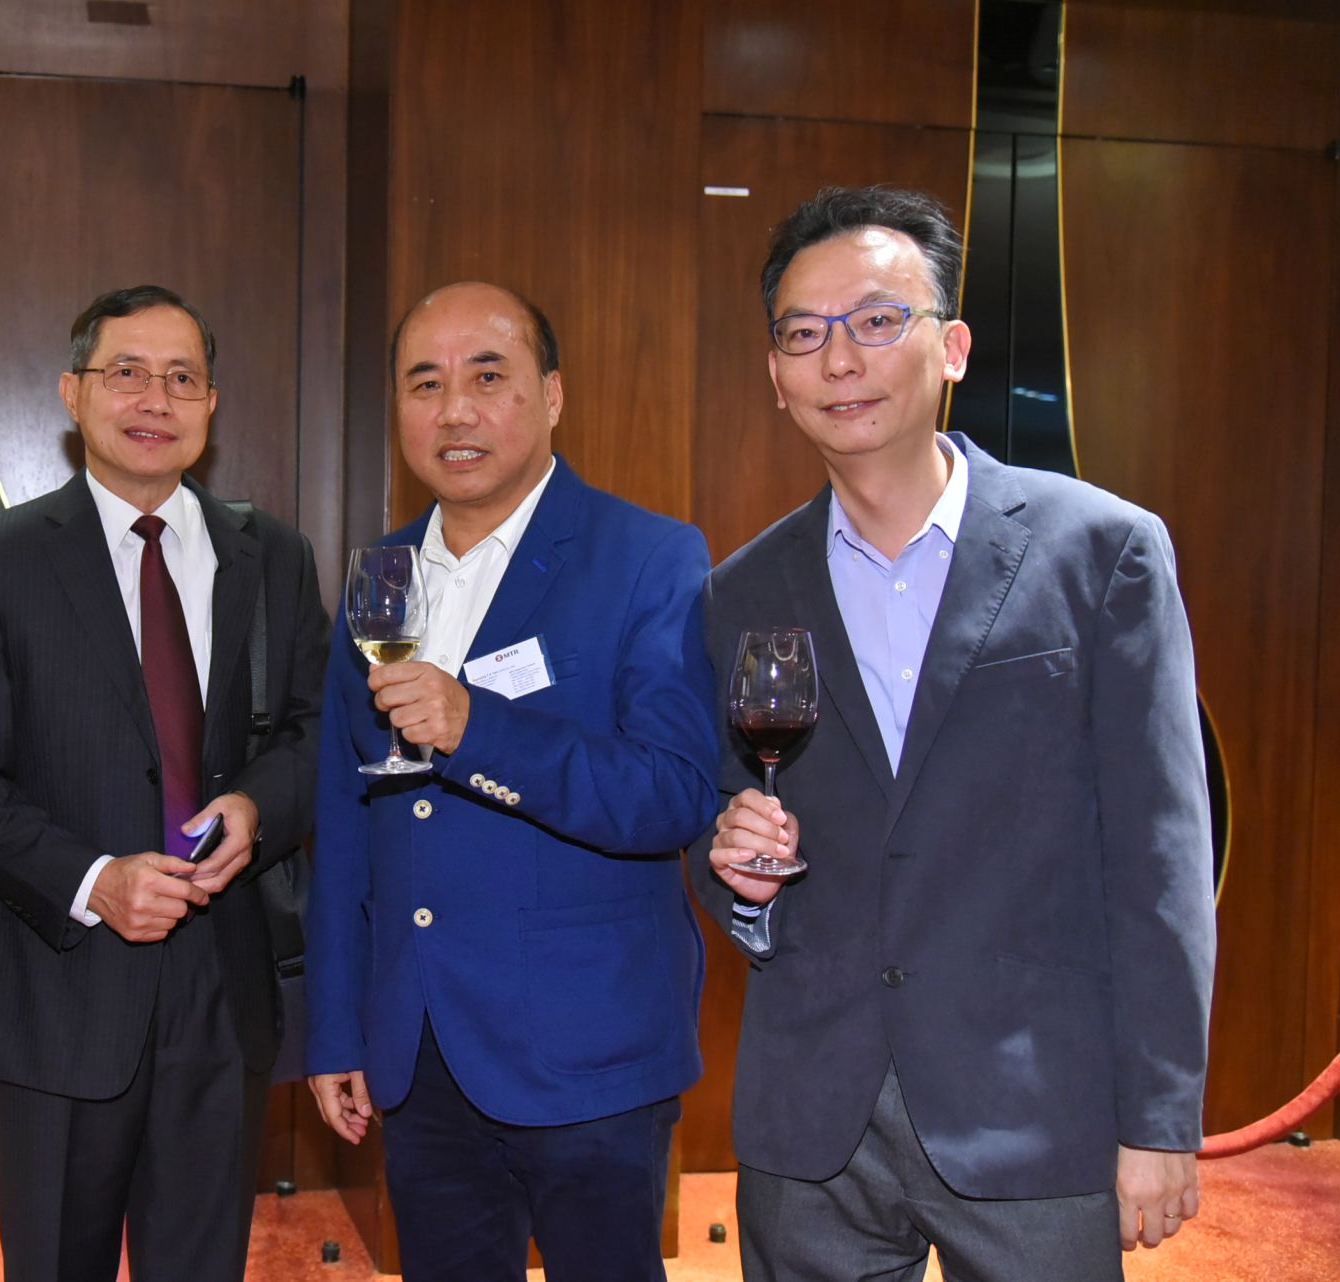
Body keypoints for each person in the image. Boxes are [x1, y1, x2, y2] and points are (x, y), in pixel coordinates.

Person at [700, 185, 1216, 1281]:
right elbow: (724, 818)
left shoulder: (1102, 553)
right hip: (813, 1116)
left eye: (878, 319)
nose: (842, 359)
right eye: (804, 333)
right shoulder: (741, 591)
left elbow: (1161, 857)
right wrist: (735, 870)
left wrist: (1161, 1116)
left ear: (953, 348)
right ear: (777, 377)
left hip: (1033, 1108)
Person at [305, 281, 718, 1282]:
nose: (454, 410)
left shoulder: (649, 557)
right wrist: (335, 1028)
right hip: (419, 1045)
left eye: (488, 377)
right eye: (426, 384)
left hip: (590, 1049)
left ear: (552, 394)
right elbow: (345, 821)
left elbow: (671, 794)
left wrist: (474, 727)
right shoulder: (380, 575)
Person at [0, 284, 330, 1282]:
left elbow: (313, 732)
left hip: (223, 978)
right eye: (126, 372)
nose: (156, 398)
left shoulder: (273, 556)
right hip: (62, 977)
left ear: (212, 404)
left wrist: (258, 807)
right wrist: (92, 880)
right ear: (73, 393)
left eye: (182, 377)